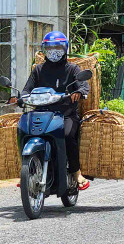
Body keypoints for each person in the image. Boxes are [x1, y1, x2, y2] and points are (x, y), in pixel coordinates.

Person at [19, 31, 91, 190]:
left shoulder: (72, 69)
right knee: (24, 131)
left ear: (65, 48)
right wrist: (18, 97)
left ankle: (76, 172)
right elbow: (27, 90)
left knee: (68, 135)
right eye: (50, 48)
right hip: (41, 113)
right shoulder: (38, 70)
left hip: (65, 115)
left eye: (57, 47)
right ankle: (27, 171)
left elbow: (83, 85)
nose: (54, 51)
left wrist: (79, 92)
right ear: (44, 49)